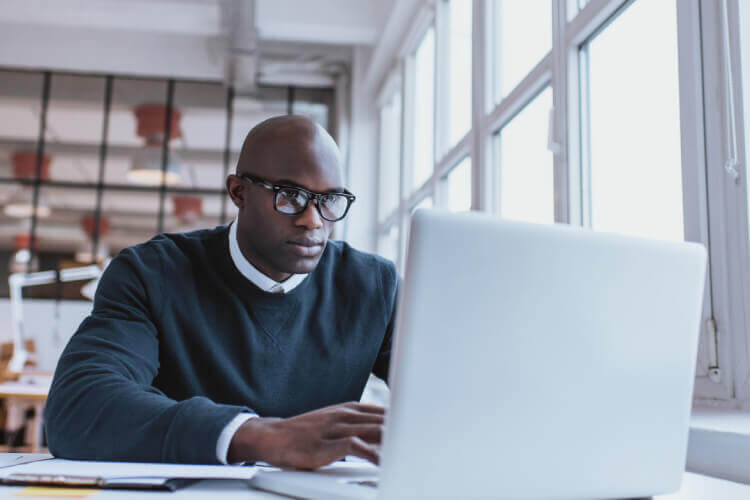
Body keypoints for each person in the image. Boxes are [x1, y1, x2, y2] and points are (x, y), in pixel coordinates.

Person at [44, 115, 399, 469]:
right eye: (290, 196)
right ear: (239, 192)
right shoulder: (152, 273)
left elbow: (445, 391)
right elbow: (78, 406)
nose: (314, 220)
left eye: (330, 199)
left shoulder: (373, 285)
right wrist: (258, 436)